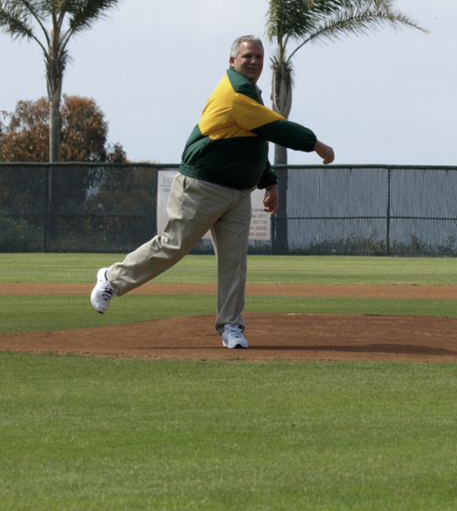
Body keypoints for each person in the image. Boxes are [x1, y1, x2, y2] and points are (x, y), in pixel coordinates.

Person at [89, 35, 335, 349]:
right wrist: (315, 144)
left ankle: (231, 326)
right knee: (172, 246)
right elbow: (274, 127)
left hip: (237, 193)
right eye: (247, 56)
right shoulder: (234, 92)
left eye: (259, 57)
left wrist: (269, 181)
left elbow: (255, 142)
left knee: (234, 261)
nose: (254, 61)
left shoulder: (251, 94)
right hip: (202, 188)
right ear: (232, 61)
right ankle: (111, 279)